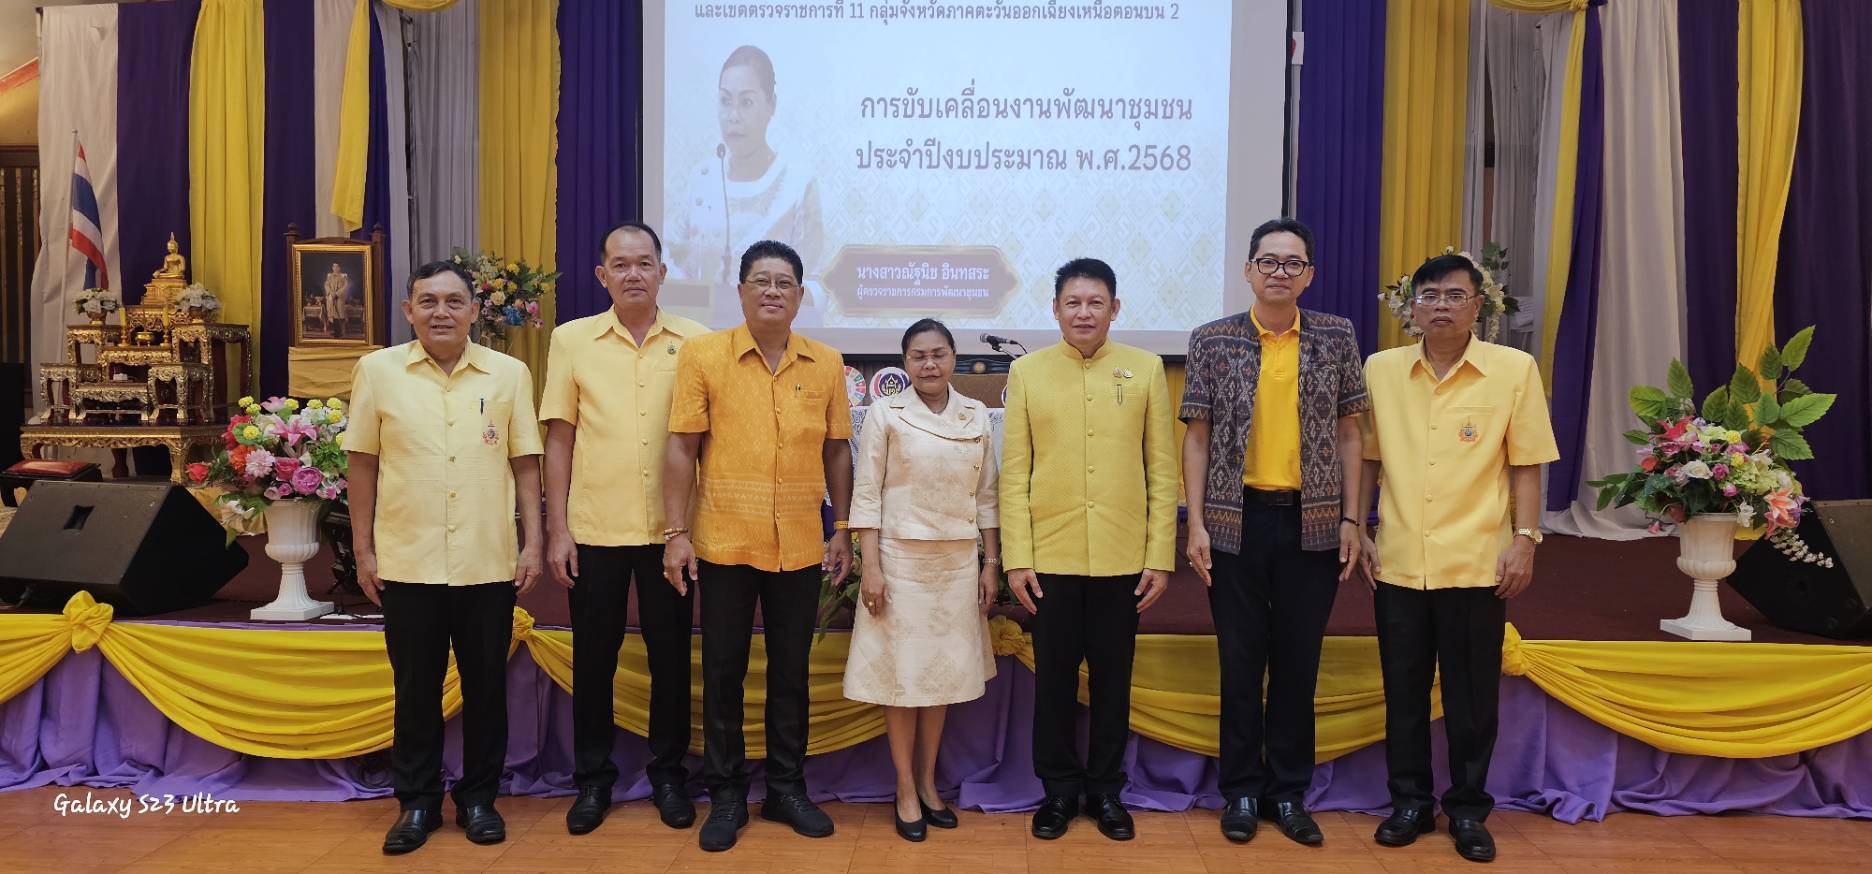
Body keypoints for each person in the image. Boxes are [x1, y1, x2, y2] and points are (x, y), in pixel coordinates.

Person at [1354, 253, 1559, 864]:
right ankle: (1410, 804)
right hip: (1397, 557)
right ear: (1411, 307)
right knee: (1405, 692)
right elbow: (1367, 457)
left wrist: (1525, 539)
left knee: (1472, 700)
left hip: (1477, 561)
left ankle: (1468, 809)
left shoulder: (1513, 369)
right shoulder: (1381, 369)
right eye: (1430, 295)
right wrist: (1357, 525)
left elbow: (1526, 464)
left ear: (1478, 306)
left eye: (1455, 294)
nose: (1441, 304)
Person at [345, 260, 544, 854]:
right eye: (428, 301)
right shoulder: (377, 372)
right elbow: (362, 462)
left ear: (474, 311)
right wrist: (363, 548)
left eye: (454, 301)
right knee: (415, 686)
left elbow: (524, 463)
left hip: (487, 560)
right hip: (409, 559)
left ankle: (480, 799)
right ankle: (417, 803)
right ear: (409, 310)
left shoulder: (508, 374)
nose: (441, 312)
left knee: (486, 686)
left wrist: (532, 540)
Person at [1181, 218, 1369, 845]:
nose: (1279, 272)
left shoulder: (1336, 337)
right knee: (1239, 662)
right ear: (1249, 271)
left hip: (1311, 522)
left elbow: (1350, 433)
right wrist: (1197, 523)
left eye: (1293, 263)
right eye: (1269, 261)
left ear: (1309, 273)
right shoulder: (1213, 341)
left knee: (1297, 663)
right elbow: (1198, 437)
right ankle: (1239, 792)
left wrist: (1351, 517)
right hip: (1235, 523)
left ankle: (1288, 794)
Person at [662, 239, 853, 852]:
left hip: (799, 542)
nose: (773, 291)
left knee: (790, 673)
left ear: (801, 295)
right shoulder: (704, 355)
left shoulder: (825, 362)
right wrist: (676, 533)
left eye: (785, 283)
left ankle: (785, 789)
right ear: (741, 289)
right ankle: (725, 794)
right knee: (723, 673)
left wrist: (843, 527)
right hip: (722, 541)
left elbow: (837, 449)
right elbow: (681, 448)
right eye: (761, 281)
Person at [1001, 258, 1178, 842]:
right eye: (1072, 302)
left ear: (1114, 309)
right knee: (1051, 683)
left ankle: (1105, 793)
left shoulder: (1146, 369)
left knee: (1112, 682)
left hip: (1123, 559)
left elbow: (1161, 468)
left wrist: (1159, 556)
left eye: (1095, 302)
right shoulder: (1028, 373)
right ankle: (1056, 793)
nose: (1083, 312)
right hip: (1048, 560)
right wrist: (1016, 558)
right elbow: (1015, 472)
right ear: (1055, 309)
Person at [540, 223, 709, 836]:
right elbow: (559, 439)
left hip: (673, 534)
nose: (633, 273)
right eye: (621, 263)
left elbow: (705, 443)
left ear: (663, 271)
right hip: (594, 530)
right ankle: (592, 781)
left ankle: (668, 776)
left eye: (645, 263)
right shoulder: (572, 341)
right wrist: (557, 530)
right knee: (595, 660)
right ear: (601, 274)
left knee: (670, 658)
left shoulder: (697, 342)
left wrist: (687, 528)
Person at [844, 318, 1000, 843]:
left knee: (941, 681)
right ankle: (905, 788)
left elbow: (987, 497)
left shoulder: (975, 414)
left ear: (954, 357)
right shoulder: (886, 412)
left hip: (957, 563)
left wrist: (992, 563)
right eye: (918, 356)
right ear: (904, 363)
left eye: (938, 354)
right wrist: (870, 567)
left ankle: (931, 784)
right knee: (902, 679)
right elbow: (865, 493)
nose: (929, 365)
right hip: (899, 562)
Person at [665, 45, 824, 326]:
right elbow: (674, 266)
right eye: (725, 101)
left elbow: (815, 287)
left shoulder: (798, 186)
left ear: (771, 104)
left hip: (777, 341)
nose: (733, 116)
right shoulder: (701, 179)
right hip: (704, 337)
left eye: (746, 102)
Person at [324, 262, 350, 335]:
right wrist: (331, 292)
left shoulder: (343, 277)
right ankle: (336, 331)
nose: (335, 268)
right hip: (331, 298)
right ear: (332, 268)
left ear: (339, 268)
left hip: (339, 298)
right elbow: (326, 285)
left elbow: (345, 286)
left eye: (337, 267)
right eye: (334, 267)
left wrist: (337, 293)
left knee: (340, 314)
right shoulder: (329, 277)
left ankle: (341, 332)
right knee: (333, 314)